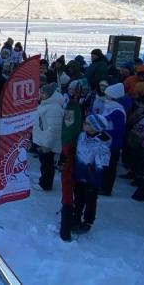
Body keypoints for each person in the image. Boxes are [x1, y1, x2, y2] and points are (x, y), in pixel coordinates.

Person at [73, 114, 112, 234]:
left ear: (96, 127)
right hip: (79, 173)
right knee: (78, 197)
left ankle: (88, 221)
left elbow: (102, 164)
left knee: (90, 199)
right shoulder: (81, 135)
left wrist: (93, 174)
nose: (84, 124)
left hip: (92, 177)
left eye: (88, 123)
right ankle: (76, 216)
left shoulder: (102, 143)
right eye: (85, 122)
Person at [59, 80, 83, 242]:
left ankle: (66, 226)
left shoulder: (72, 107)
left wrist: (65, 151)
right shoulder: (73, 106)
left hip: (72, 153)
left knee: (69, 188)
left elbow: (68, 131)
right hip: (73, 152)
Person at [33, 83, 64, 191]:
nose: (41, 94)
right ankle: (44, 180)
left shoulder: (53, 108)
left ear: (50, 94)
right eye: (41, 92)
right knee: (44, 163)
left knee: (47, 164)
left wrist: (47, 145)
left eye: (43, 93)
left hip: (48, 143)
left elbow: (53, 129)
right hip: (43, 140)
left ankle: (45, 184)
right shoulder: (46, 104)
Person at [100, 83, 127, 196]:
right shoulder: (109, 107)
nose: (105, 95)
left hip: (112, 144)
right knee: (105, 165)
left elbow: (119, 130)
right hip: (105, 141)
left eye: (107, 94)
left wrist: (105, 133)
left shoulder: (117, 111)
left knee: (110, 167)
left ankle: (106, 188)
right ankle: (102, 185)